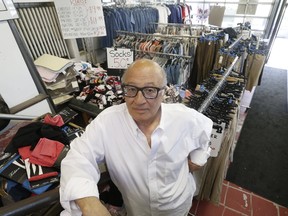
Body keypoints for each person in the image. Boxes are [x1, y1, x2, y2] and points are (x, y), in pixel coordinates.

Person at [60, 59, 213, 216]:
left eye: (150, 90)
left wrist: (199, 158)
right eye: (131, 89)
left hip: (178, 207)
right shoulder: (107, 123)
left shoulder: (185, 118)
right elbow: (78, 158)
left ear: (162, 92)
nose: (139, 101)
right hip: (136, 210)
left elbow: (205, 131)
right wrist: (89, 204)